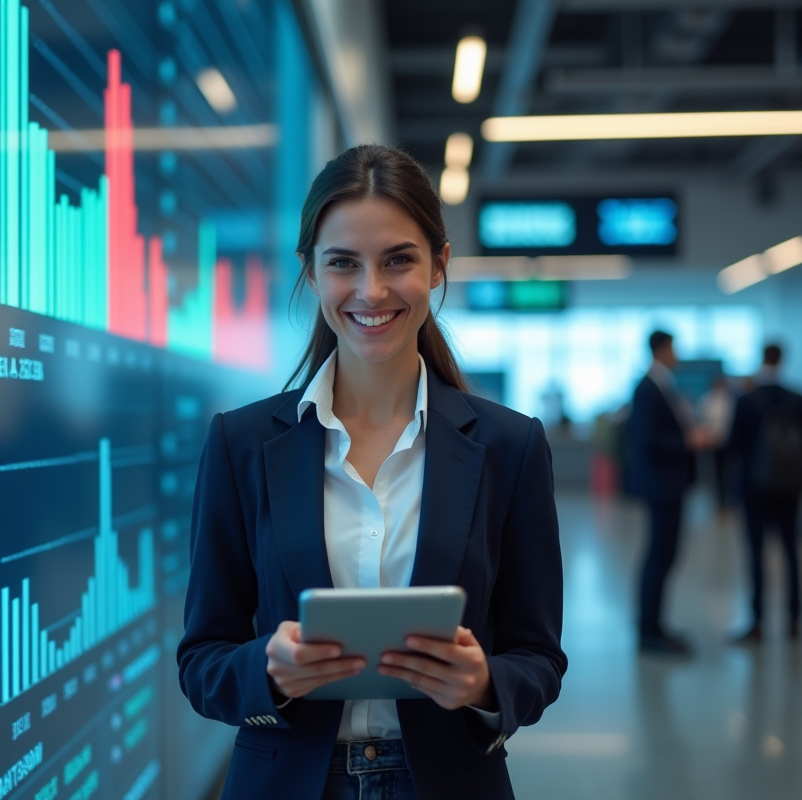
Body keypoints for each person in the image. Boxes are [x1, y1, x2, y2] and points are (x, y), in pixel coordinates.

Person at [176, 145, 567, 800]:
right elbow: (201, 662)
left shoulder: (510, 445)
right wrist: (267, 672)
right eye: (342, 264)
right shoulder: (241, 444)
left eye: (398, 260)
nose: (371, 290)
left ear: (439, 264)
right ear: (310, 272)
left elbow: (539, 658)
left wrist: (481, 686)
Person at [628, 330, 708, 656]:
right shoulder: (648, 388)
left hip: (670, 485)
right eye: (674, 347)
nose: (678, 354)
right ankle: (649, 631)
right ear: (662, 348)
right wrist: (688, 442)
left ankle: (656, 625)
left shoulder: (664, 385)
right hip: (661, 485)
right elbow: (648, 440)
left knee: (665, 556)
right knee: (659, 556)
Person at [728, 344, 802, 642]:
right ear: (783, 360)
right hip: (790, 486)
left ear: (761, 359)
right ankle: (795, 620)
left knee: (756, 553)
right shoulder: (798, 398)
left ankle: (757, 621)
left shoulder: (746, 399)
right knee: (791, 552)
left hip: (754, 487)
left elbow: (733, 444)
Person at [698, 374, 735, 510]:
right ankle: (721, 501)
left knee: (731, 472)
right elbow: (703, 421)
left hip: (729, 441)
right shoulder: (707, 400)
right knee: (718, 474)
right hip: (714, 442)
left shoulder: (730, 400)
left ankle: (732, 499)